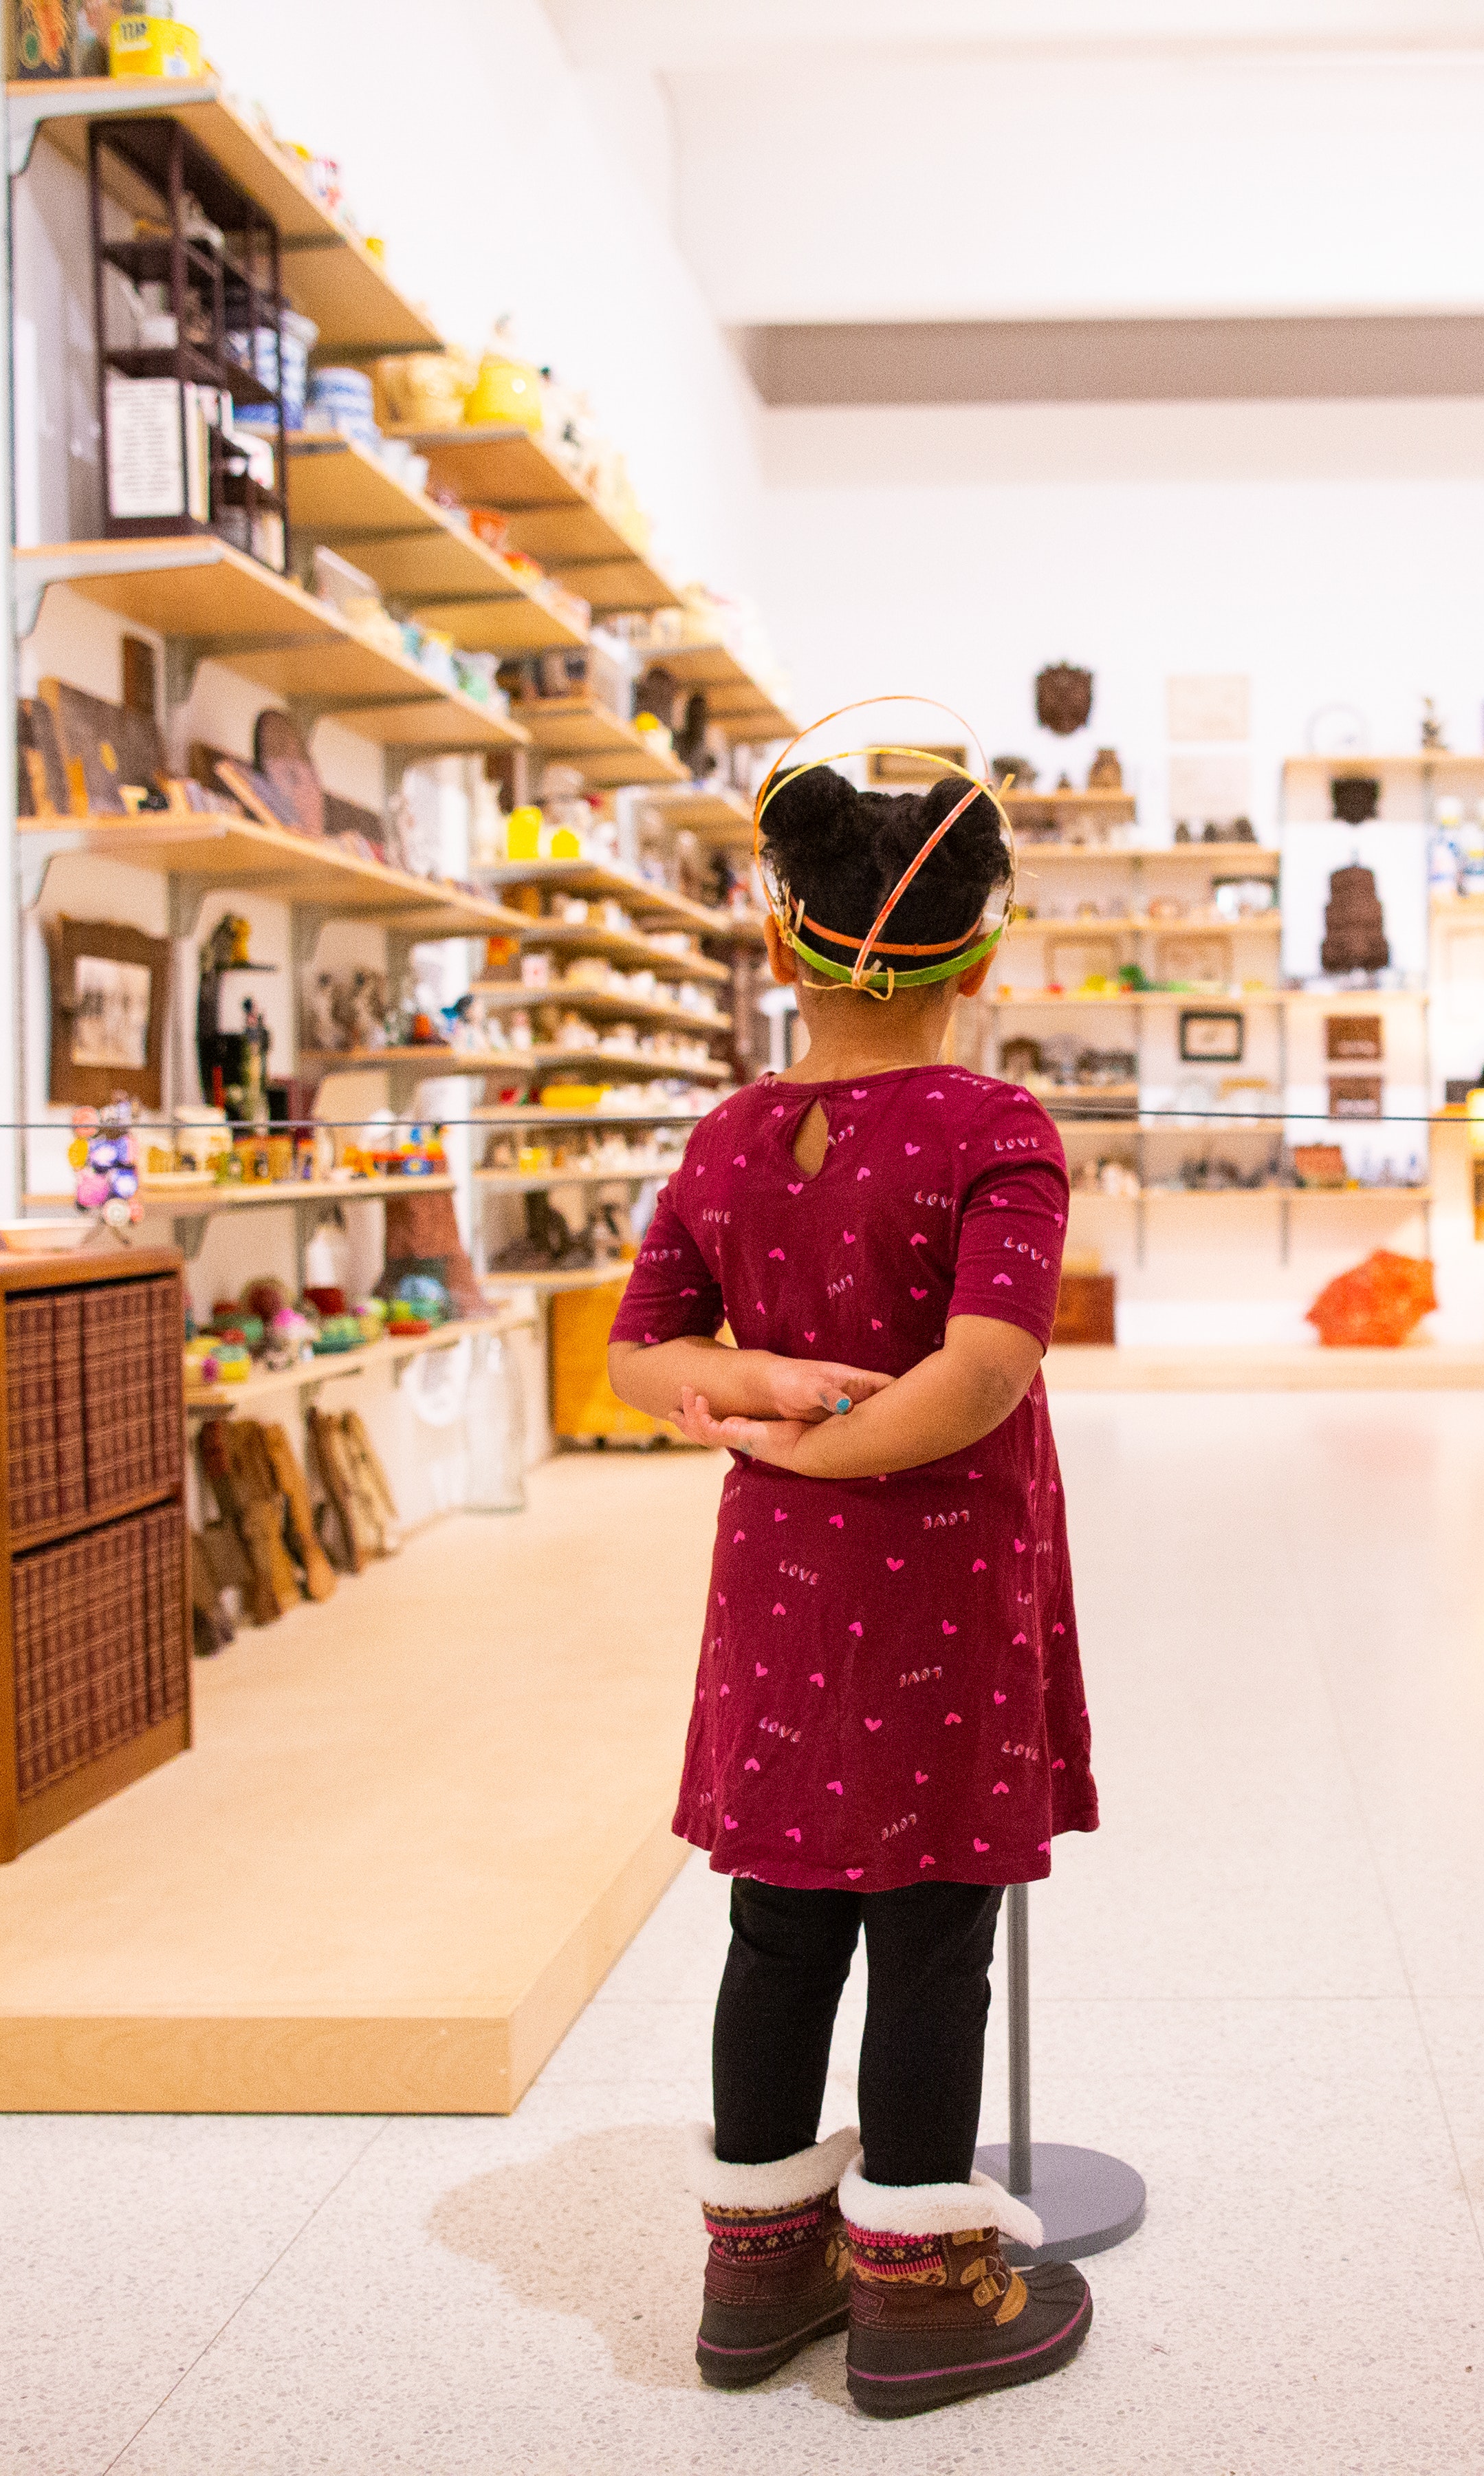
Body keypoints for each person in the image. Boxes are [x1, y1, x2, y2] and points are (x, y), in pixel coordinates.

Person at [606, 755, 1098, 2420]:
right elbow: (982, 1378)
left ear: (777, 946)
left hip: (780, 1590)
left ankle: (754, 2280)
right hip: (940, 1583)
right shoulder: (996, 1130)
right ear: (980, 956)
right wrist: (836, 1440)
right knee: (934, 1929)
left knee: (779, 1918)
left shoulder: (731, 1134)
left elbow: (635, 1355)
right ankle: (918, 2297)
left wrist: (755, 1400)